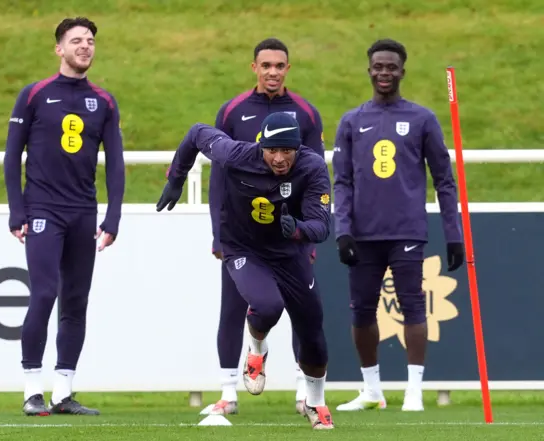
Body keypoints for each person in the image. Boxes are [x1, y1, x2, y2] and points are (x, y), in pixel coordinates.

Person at [157, 112, 335, 430]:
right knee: (267, 306)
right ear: (260, 145)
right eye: (272, 150)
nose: (279, 159)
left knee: (313, 331)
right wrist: (177, 177)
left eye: (287, 151)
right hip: (244, 249)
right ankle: (256, 348)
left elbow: (322, 226)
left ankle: (316, 401)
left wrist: (297, 229)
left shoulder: (312, 167)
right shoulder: (237, 154)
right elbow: (197, 131)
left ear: (298, 148)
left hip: (289, 251)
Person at [331, 39, 464, 412]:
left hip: (406, 230)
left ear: (402, 71)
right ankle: (372, 390)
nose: (384, 73)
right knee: (361, 312)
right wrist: (343, 229)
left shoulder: (422, 119)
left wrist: (454, 235)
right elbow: (341, 181)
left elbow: (444, 179)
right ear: (369, 70)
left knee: (413, 308)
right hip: (363, 233)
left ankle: (413, 391)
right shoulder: (352, 121)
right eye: (378, 66)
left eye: (391, 67)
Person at [3, 16, 125, 416]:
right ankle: (31, 389)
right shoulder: (34, 94)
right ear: (59, 48)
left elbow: (116, 163)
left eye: (90, 40)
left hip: (82, 212)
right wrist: (16, 210)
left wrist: (112, 218)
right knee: (44, 293)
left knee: (76, 300)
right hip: (42, 209)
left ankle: (63, 392)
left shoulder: (104, 101)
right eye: (76, 41)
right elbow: (11, 156)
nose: (85, 46)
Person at [208, 37, 325, 416]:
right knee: (235, 306)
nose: (272, 72)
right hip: (241, 232)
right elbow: (218, 175)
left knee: (301, 311)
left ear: (288, 69)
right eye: (266, 65)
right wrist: (217, 231)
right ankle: (228, 392)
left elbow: (314, 174)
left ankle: (302, 393)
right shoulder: (232, 111)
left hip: (288, 236)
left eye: (279, 66)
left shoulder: (305, 113)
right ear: (253, 68)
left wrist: (305, 230)